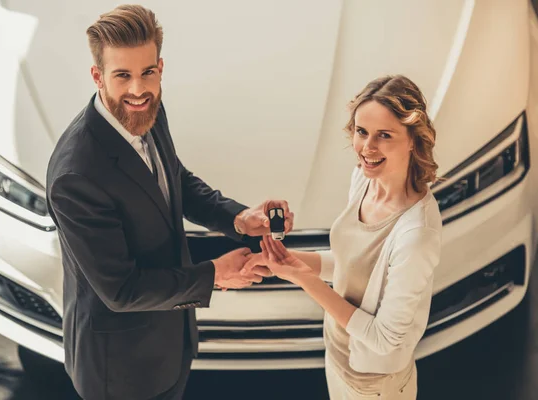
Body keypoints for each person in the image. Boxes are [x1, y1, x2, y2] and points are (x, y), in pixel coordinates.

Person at [45, 5, 294, 400]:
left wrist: (239, 219)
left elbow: (174, 180)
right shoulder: (76, 175)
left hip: (170, 344)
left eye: (148, 72)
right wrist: (215, 274)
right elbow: (122, 290)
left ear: (160, 67)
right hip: (120, 370)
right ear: (98, 76)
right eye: (122, 75)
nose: (138, 88)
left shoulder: (147, 110)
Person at [245, 75, 442, 399]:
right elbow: (354, 265)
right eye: (362, 131)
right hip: (338, 356)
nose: (367, 148)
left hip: (375, 385)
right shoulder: (365, 179)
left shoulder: (416, 236)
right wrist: (291, 262)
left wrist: (304, 281)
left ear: (412, 139)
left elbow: (384, 339)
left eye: (384, 135)